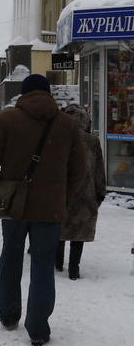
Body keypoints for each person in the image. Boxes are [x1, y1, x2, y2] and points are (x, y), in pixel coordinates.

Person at [0, 74, 86, 346]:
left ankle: (9, 314)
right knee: (42, 266)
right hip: (50, 208)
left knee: (11, 258)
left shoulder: (7, 120)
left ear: (23, 94)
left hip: (13, 205)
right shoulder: (67, 124)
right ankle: (38, 328)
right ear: (48, 93)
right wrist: (64, 198)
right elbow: (79, 171)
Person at [58, 104, 107, 280]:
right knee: (78, 232)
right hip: (85, 195)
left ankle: (57, 263)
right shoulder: (92, 142)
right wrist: (100, 192)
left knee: (60, 228)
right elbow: (99, 170)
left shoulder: (58, 138)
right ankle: (74, 268)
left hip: (62, 192)